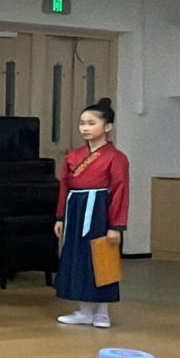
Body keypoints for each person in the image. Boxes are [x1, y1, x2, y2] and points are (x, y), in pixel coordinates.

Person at [56, 98, 129, 329]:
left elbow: (120, 191)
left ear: (107, 127)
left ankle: (103, 311)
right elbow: (64, 186)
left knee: (102, 256)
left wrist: (115, 226)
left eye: (91, 123)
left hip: (100, 210)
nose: (85, 128)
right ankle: (84, 310)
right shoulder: (73, 156)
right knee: (78, 257)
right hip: (76, 208)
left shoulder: (116, 157)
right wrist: (60, 216)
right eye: (82, 123)